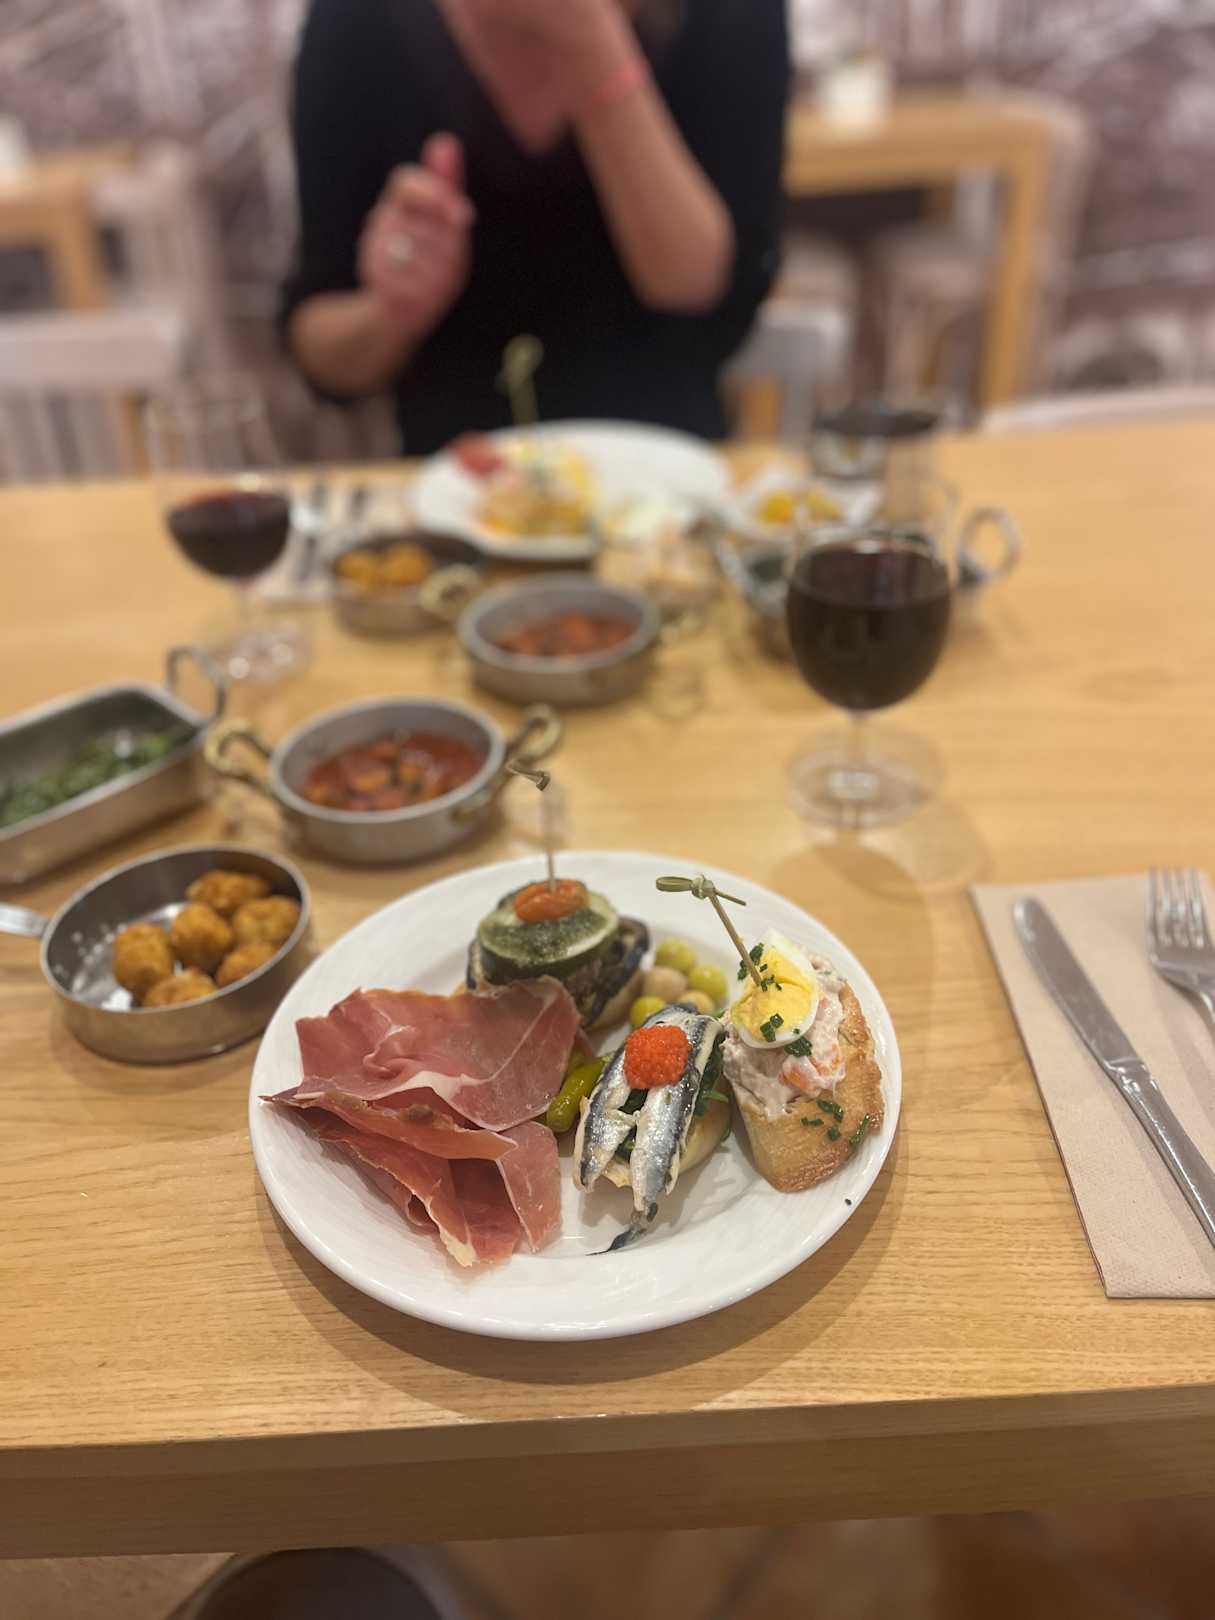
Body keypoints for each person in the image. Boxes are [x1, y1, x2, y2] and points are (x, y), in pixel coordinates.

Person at [281, 0, 789, 454]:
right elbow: (320, 353)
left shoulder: (730, 14)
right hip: (452, 489)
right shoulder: (358, 17)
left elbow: (716, 300)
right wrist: (393, 311)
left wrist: (588, 38)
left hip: (671, 483)